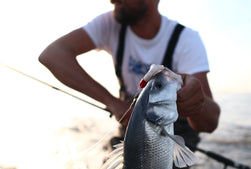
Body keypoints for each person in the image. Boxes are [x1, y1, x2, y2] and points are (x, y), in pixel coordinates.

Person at [39, 0, 220, 168]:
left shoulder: (186, 39)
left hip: (176, 129)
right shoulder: (110, 22)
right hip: (129, 125)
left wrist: (196, 102)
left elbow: (209, 123)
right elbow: (52, 55)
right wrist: (113, 103)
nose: (112, 0)